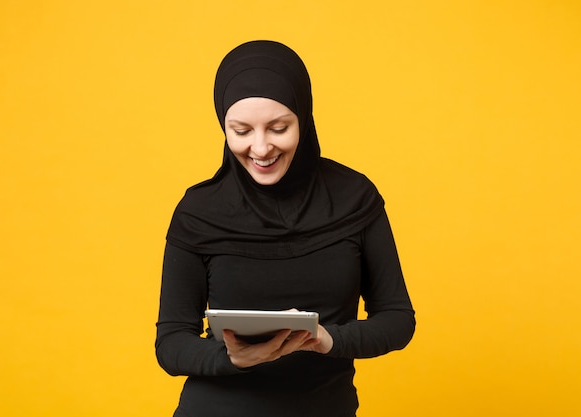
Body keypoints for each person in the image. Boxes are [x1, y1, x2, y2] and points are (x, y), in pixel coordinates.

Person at [155, 40, 415, 417]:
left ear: (303, 120)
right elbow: (171, 342)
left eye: (278, 128)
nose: (260, 148)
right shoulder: (198, 212)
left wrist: (329, 339)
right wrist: (234, 358)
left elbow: (397, 318)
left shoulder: (355, 198)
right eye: (241, 131)